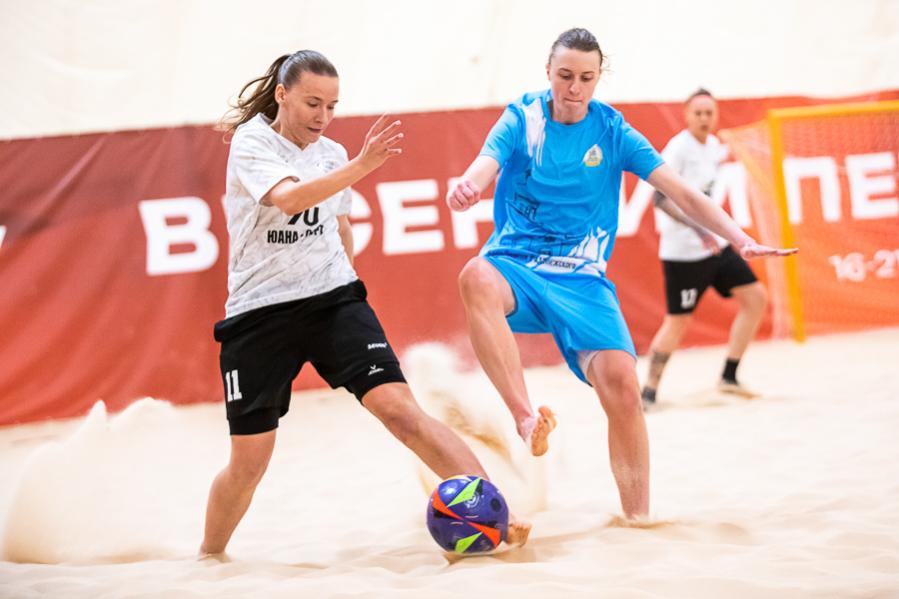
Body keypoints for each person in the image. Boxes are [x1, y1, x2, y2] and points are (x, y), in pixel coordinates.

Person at [445, 29, 796, 519]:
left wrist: (741, 238)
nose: (574, 88)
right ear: (548, 72)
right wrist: (467, 186)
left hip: (583, 280)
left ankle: (638, 519)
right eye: (565, 75)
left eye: (586, 78)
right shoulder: (522, 118)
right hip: (517, 267)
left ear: (598, 78)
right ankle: (526, 419)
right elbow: (483, 166)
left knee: (623, 387)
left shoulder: (613, 131)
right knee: (474, 276)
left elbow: (683, 193)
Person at [200, 50, 529, 555]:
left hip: (332, 300)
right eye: (312, 103)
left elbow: (341, 225)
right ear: (282, 95)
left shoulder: (332, 153)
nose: (323, 116)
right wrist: (363, 164)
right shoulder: (253, 142)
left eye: (332, 106)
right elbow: (290, 199)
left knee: (402, 412)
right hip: (258, 313)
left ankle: (497, 513)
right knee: (249, 464)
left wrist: (349, 289)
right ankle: (210, 554)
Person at [641, 89, 769, 408]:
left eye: (709, 112)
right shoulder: (678, 149)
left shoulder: (713, 146)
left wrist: (713, 233)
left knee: (756, 298)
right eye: (698, 113)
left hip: (718, 247)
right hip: (684, 254)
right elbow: (660, 199)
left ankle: (729, 377)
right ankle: (648, 393)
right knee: (678, 321)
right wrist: (700, 231)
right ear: (686, 115)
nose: (703, 118)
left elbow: (705, 197)